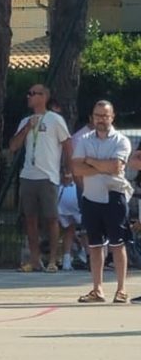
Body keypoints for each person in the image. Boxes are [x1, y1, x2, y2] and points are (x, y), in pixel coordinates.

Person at [70, 99, 132, 305]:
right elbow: (76, 168)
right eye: (97, 116)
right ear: (92, 117)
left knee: (117, 243)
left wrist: (89, 161)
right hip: (91, 197)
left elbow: (115, 167)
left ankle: (121, 289)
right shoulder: (84, 140)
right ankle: (97, 289)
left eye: (105, 116)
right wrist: (101, 166)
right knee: (95, 244)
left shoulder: (121, 141)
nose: (101, 120)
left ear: (112, 117)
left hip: (114, 196)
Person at [8, 82, 70, 272]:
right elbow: (13, 146)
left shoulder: (55, 120)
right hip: (28, 176)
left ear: (43, 97)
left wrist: (68, 171)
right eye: (28, 93)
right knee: (30, 219)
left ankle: (52, 260)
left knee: (51, 218)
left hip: (48, 176)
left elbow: (68, 145)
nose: (28, 96)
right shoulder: (25, 121)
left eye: (32, 93)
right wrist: (27, 127)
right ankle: (35, 259)